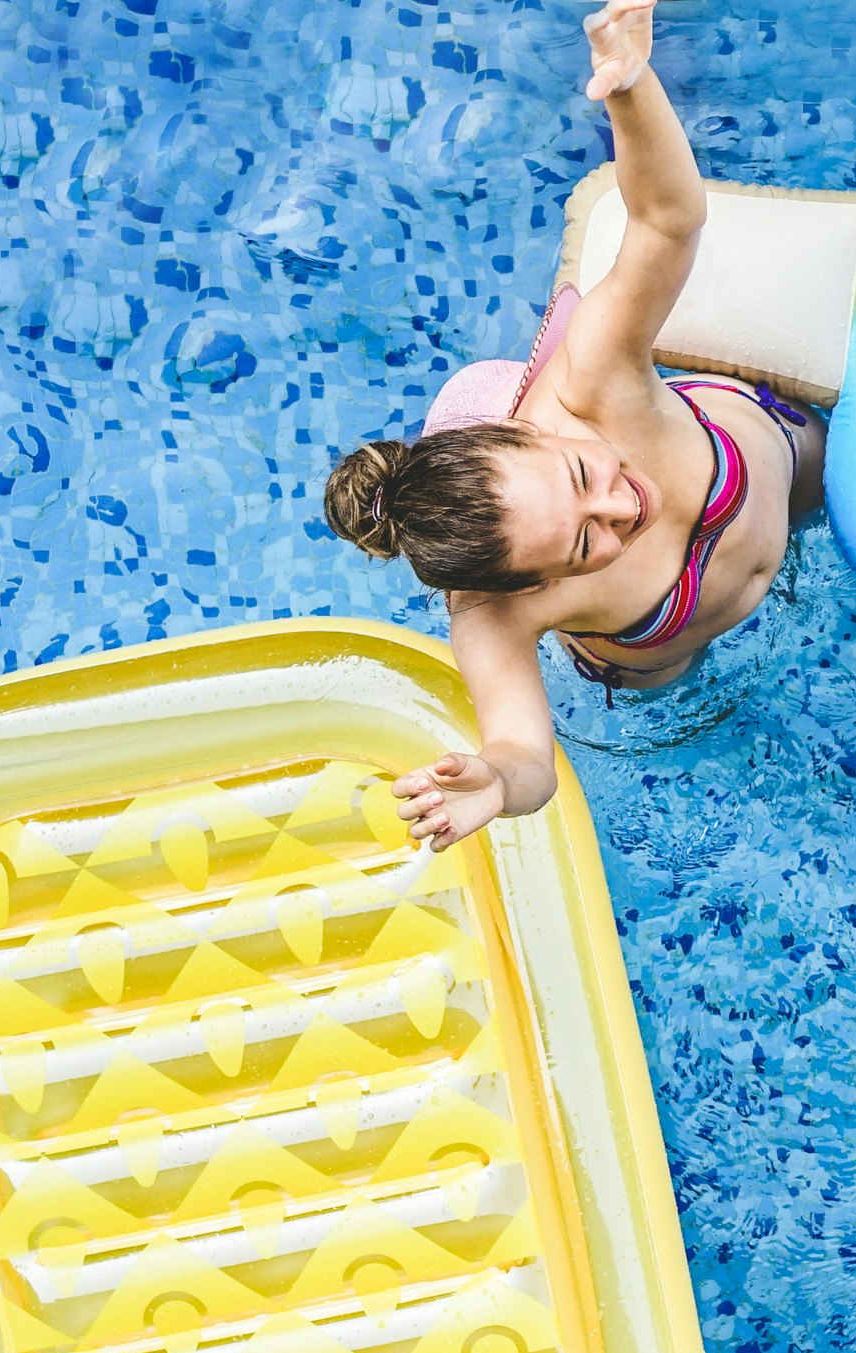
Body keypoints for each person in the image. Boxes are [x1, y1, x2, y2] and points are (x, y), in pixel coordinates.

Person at [319, 0, 822, 852]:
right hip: (672, 646)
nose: (625, 510)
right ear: (527, 587)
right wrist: (497, 783)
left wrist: (629, 89)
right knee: (671, 692)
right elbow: (525, 752)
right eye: (585, 546)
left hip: (781, 464)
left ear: (531, 429)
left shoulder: (593, 375)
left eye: (586, 477)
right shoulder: (493, 613)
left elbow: (668, 221)